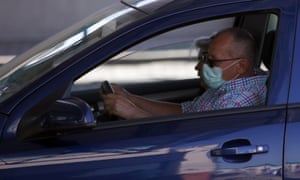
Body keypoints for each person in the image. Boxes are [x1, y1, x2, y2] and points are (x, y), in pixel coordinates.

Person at [100, 27, 268, 119]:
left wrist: (132, 113)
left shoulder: (239, 100)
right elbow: (184, 112)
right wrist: (131, 98)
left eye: (212, 61)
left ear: (241, 66)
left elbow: (191, 140)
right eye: (205, 58)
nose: (201, 66)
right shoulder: (227, 86)